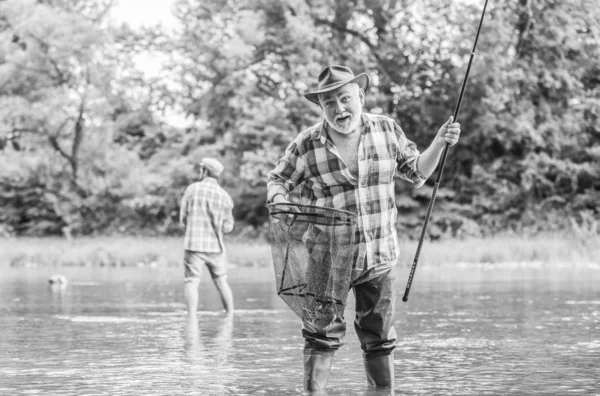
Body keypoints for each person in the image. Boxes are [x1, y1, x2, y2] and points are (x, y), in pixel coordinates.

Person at [266, 65, 461, 391]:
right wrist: (277, 199)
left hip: (379, 255)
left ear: (361, 96)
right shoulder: (306, 144)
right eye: (329, 103)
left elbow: (417, 173)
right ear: (321, 107)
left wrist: (439, 143)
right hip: (327, 259)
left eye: (345, 98)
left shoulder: (386, 129)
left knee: (380, 337)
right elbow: (279, 179)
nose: (339, 108)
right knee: (320, 334)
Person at [180, 158, 235, 316]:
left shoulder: (192, 189)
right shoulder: (224, 196)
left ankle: (191, 318)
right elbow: (228, 227)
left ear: (204, 171)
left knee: (191, 282)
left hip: (193, 245)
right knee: (221, 281)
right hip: (216, 248)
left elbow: (182, 219)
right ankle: (230, 315)